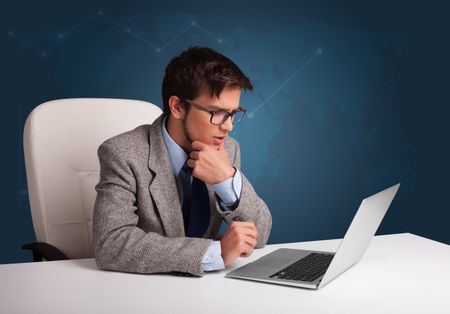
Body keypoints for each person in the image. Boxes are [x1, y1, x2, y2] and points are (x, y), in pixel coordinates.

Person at [93, 46, 272, 276]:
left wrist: (226, 180)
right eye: (217, 113)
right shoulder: (122, 154)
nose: (228, 126)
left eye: (233, 113)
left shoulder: (227, 148)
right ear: (177, 106)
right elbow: (110, 243)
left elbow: (261, 234)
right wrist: (214, 253)